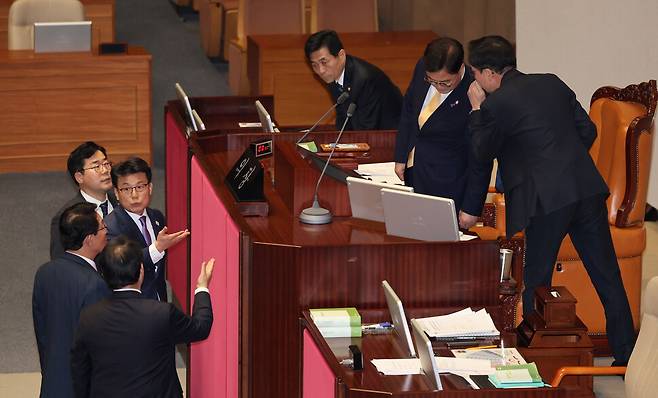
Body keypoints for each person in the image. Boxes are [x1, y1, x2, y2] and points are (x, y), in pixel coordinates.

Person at [466, 35, 635, 365]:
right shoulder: (552, 83)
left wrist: (476, 109)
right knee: (607, 276)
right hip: (585, 189)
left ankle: (534, 361)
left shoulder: (496, 103)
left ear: (488, 73)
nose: (475, 81)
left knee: (537, 281)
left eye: (475, 74)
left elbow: (481, 151)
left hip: (545, 200)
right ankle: (626, 355)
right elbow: (587, 130)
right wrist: (562, 163)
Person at [71, 237, 214, 398]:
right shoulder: (161, 313)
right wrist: (201, 287)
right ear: (141, 270)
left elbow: (80, 370)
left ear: (104, 274)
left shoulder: (89, 317)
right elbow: (201, 328)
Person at [394, 37, 491, 221]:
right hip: (414, 173)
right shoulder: (422, 66)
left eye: (445, 82)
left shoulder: (475, 93)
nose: (438, 87)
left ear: (461, 68)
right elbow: (409, 110)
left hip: (448, 184)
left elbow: (480, 156)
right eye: (431, 81)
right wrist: (401, 156)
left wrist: (472, 206)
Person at [33, 202, 111, 398]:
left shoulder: (44, 273)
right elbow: (98, 347)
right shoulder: (95, 285)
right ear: (88, 239)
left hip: (53, 383)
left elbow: (42, 332)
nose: (106, 230)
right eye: (102, 227)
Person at [104, 157, 189, 301]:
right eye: (126, 189)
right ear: (117, 193)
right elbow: (122, 264)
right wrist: (157, 248)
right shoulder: (110, 226)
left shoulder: (157, 217)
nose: (134, 195)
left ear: (150, 188)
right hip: (133, 307)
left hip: (159, 300)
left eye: (139, 187)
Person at [304, 29, 403, 131]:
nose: (321, 71)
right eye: (315, 65)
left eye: (324, 62)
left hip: (393, 136)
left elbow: (367, 130)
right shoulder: (333, 75)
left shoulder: (365, 79)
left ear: (341, 56)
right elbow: (343, 117)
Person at [50, 141, 117, 260]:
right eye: (96, 166)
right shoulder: (67, 217)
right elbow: (61, 263)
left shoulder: (121, 200)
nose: (105, 170)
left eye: (106, 164)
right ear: (79, 177)